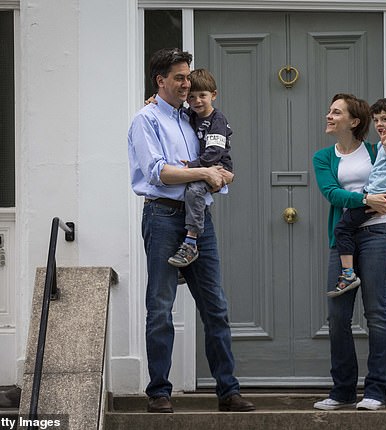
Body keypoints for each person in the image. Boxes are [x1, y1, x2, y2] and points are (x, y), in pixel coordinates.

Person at [128, 48, 254, 414]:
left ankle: (228, 391)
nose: (186, 84)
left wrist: (221, 175)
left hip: (200, 222)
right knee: (161, 307)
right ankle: (159, 392)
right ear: (160, 80)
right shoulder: (146, 119)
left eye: (188, 77)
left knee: (216, 307)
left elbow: (218, 165)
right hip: (164, 217)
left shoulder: (192, 117)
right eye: (179, 78)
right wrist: (203, 173)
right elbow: (158, 172)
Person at [312, 93, 386, 411]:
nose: (328, 115)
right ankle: (342, 391)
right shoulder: (323, 158)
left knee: (376, 314)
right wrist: (367, 200)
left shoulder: (377, 151)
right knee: (337, 318)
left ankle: (376, 391)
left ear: (353, 121)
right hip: (344, 241)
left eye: (335, 112)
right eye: (329, 110)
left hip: (378, 235)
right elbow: (332, 193)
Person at [329, 97, 386, 302]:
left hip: (378, 199)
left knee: (342, 228)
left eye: (385, 119)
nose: (379, 124)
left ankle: (348, 274)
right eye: (376, 120)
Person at [167, 68, 234, 268]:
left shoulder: (217, 120)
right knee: (190, 194)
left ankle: (191, 242)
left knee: (195, 192)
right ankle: (186, 263)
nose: (197, 101)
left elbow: (214, 152)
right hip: (201, 167)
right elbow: (169, 109)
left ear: (213, 95)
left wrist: (191, 167)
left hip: (217, 166)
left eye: (202, 96)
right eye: (192, 97)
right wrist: (153, 100)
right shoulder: (190, 114)